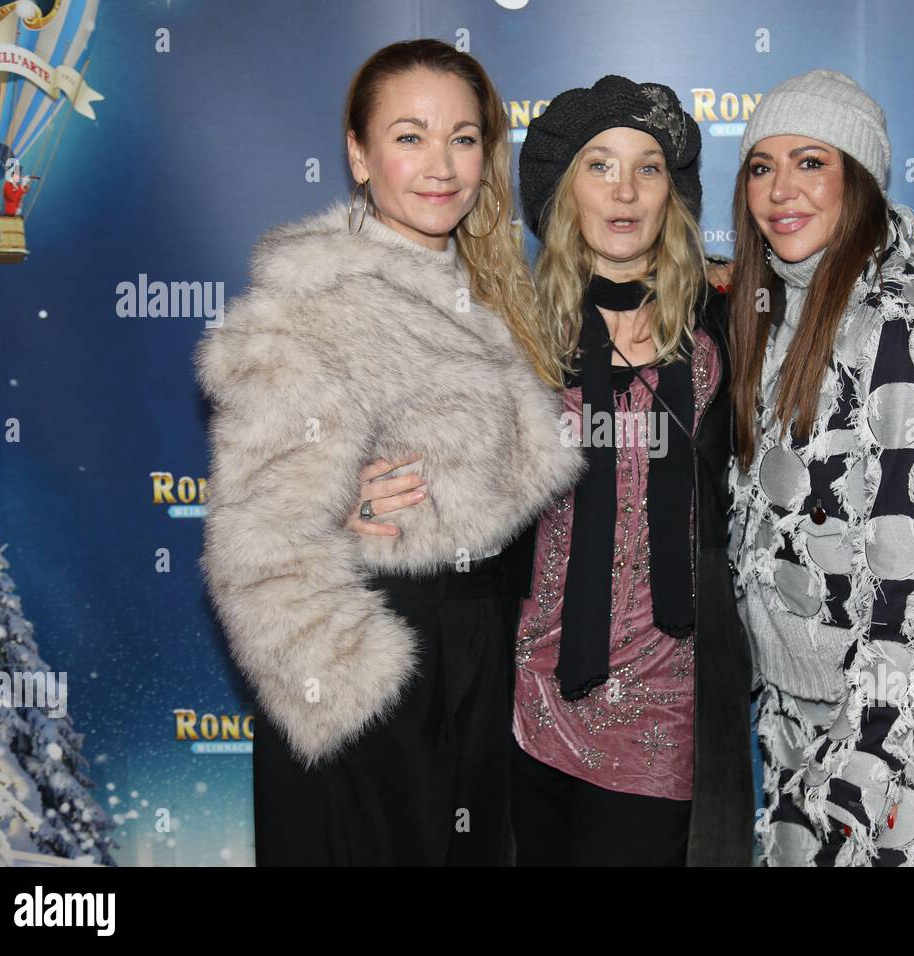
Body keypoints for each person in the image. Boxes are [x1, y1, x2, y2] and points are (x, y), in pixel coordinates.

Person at [195, 38, 583, 866]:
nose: (441, 164)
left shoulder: (488, 295)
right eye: (409, 136)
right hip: (373, 661)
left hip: (476, 658)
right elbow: (252, 545)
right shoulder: (309, 308)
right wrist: (352, 683)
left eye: (464, 137)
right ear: (358, 155)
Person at [352, 76, 756, 866]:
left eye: (648, 168)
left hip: (666, 720)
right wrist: (348, 496)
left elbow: (818, 426)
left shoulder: (731, 327)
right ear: (565, 189)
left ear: (673, 193)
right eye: (600, 165)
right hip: (525, 714)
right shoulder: (514, 331)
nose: (625, 191)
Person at [726, 69, 914, 866]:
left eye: (812, 162)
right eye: (761, 165)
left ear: (860, 180)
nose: (781, 189)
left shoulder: (908, 321)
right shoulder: (771, 308)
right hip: (800, 696)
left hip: (907, 699)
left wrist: (867, 762)